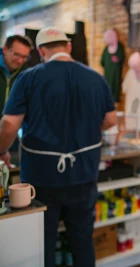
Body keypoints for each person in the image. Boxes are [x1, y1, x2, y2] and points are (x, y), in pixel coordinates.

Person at [0, 27, 117, 267]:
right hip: (84, 174)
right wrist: (85, 131)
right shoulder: (95, 77)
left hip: (41, 179)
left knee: (42, 242)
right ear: (69, 47)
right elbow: (111, 120)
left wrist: (1, 150)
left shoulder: (29, 77)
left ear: (41, 51)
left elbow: (8, 125)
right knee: (82, 242)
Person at [0, 35, 32, 113]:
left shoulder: (28, 76)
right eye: (16, 54)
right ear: (5, 49)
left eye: (25, 57)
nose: (20, 61)